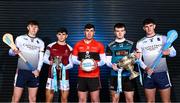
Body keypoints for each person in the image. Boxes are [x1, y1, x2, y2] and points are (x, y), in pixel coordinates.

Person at [136, 18, 176, 103]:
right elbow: (138, 60)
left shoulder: (164, 38)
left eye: (151, 26)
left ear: (154, 26)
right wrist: (146, 69)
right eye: (146, 27)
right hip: (148, 74)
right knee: (150, 101)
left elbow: (174, 52)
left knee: (166, 101)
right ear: (144, 28)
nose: (149, 28)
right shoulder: (140, 42)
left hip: (162, 73)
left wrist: (168, 52)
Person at [9, 20, 45, 102]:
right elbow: (10, 53)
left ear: (38, 29)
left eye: (36, 27)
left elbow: (41, 58)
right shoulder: (20, 38)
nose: (34, 28)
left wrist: (38, 70)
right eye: (32, 26)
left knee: (32, 99)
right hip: (21, 72)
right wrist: (13, 52)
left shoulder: (41, 42)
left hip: (34, 73)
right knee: (15, 98)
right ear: (28, 27)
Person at [72, 23, 106, 103]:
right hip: (81, 76)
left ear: (94, 32)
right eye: (87, 31)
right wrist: (80, 63)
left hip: (94, 76)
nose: (89, 33)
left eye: (91, 31)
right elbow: (73, 60)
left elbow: (103, 61)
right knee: (82, 100)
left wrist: (96, 64)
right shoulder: (78, 44)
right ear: (84, 32)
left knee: (95, 100)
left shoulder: (99, 45)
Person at [106, 23, 138, 103]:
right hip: (114, 75)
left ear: (125, 32)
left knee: (130, 99)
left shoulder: (131, 44)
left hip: (128, 75)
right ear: (114, 32)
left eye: (122, 31)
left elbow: (136, 59)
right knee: (114, 99)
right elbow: (108, 61)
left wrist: (136, 58)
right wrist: (113, 65)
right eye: (117, 31)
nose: (120, 33)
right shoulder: (110, 46)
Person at [43, 27, 73, 103]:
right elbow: (44, 58)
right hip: (51, 76)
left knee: (64, 99)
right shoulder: (50, 46)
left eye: (63, 34)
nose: (61, 36)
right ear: (57, 35)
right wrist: (51, 62)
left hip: (64, 77)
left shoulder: (70, 48)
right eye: (59, 34)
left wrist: (63, 67)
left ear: (66, 36)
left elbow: (71, 64)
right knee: (49, 99)